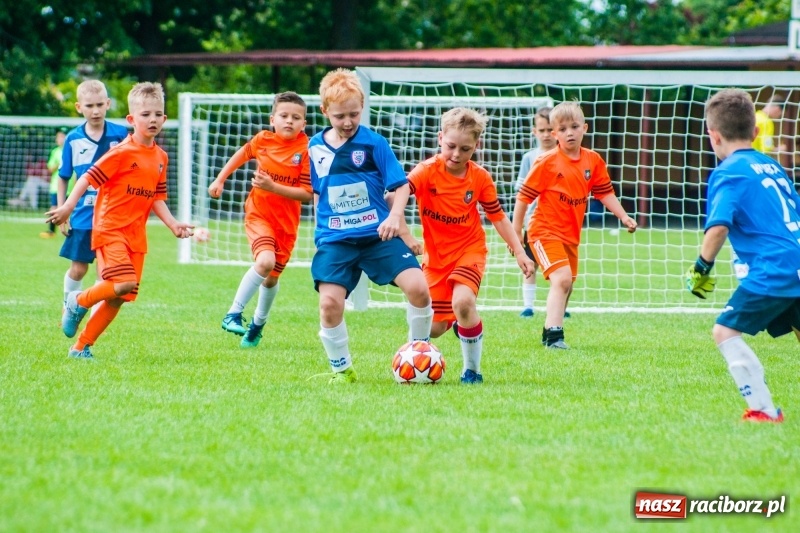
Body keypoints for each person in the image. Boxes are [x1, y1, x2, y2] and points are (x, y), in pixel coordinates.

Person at [45, 82, 193, 359]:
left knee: (118, 297)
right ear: (131, 119)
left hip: (136, 234)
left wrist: (173, 223)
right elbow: (88, 177)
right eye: (145, 114)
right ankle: (78, 300)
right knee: (123, 282)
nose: (152, 119)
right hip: (110, 227)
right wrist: (67, 206)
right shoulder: (121, 152)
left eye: (157, 114)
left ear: (164, 118)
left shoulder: (161, 157)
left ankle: (81, 347)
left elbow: (156, 196)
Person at [309, 68, 432, 383]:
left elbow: (401, 185)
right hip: (336, 241)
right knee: (329, 303)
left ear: (362, 106)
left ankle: (421, 353)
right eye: (339, 116)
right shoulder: (315, 147)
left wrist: (395, 219)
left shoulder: (375, 143)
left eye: (354, 114)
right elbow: (317, 192)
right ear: (325, 111)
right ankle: (341, 369)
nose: (348, 122)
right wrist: (321, 231)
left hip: (379, 236)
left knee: (419, 288)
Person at [685, 88, 800, 423]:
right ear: (756, 131)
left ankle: (763, 410)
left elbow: (718, 227)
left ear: (713, 135)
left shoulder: (728, 171)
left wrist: (701, 268)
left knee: (724, 331)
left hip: (773, 268)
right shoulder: (773, 166)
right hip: (795, 261)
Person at [403, 107, 535, 383]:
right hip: (435, 258)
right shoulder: (426, 171)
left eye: (465, 149)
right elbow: (401, 190)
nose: (456, 154)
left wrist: (520, 251)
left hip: (469, 250)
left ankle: (472, 371)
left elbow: (498, 217)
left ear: (477, 146)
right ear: (440, 138)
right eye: (451, 146)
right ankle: (437, 338)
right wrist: (399, 224)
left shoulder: (479, 178)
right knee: (436, 327)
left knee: (464, 302)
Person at [512, 101, 637, 350]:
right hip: (543, 231)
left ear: (585, 128)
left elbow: (605, 193)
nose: (569, 132)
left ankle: (549, 331)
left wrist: (623, 216)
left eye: (574, 126)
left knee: (567, 285)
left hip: (570, 235)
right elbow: (523, 198)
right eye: (562, 128)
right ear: (554, 133)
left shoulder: (593, 161)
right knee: (562, 279)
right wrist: (516, 235)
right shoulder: (545, 162)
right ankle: (555, 337)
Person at [208, 92, 312, 348]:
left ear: (304, 124)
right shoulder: (262, 140)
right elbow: (240, 155)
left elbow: (307, 195)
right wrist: (220, 178)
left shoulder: (307, 149)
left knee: (272, 278)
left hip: (286, 225)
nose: (289, 121)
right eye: (284, 115)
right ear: (273, 119)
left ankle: (257, 326)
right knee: (265, 262)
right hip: (259, 214)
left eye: (295, 117)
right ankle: (233, 312)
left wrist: (273, 186)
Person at [57, 80, 129, 321]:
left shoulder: (121, 135)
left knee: (106, 273)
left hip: (112, 216)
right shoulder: (73, 139)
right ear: (79, 107)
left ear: (108, 104)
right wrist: (62, 209)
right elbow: (63, 177)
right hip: (82, 215)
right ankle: (69, 304)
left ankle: (91, 321)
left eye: (100, 104)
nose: (96, 110)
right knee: (79, 268)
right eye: (90, 106)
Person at [515, 106, 569, 318]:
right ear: (534, 132)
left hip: (561, 222)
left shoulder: (565, 156)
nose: (546, 134)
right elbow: (520, 189)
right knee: (531, 264)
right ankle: (528, 305)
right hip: (534, 222)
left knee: (561, 267)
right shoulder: (530, 158)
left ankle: (561, 306)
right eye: (542, 130)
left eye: (550, 129)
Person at [41, 127, 69, 238]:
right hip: (56, 186)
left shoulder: (72, 149)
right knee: (54, 207)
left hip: (72, 187)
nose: (60, 139)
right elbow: (50, 169)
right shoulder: (55, 152)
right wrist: (60, 164)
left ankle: (72, 231)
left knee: (74, 210)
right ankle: (51, 231)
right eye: (59, 137)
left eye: (63, 136)